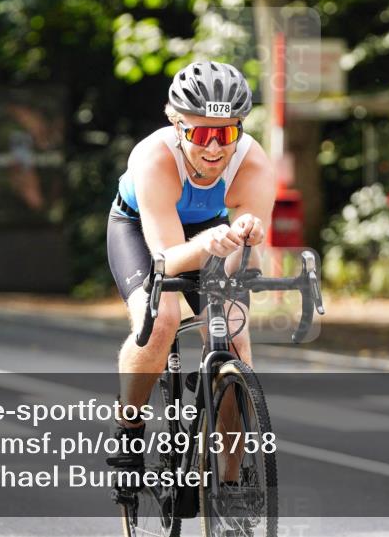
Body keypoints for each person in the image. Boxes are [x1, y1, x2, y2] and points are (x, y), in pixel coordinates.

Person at [105, 60, 275, 466]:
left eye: (225, 133)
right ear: (176, 123)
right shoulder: (153, 159)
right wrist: (211, 245)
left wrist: (246, 239)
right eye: (200, 133)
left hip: (212, 233)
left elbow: (247, 259)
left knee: (235, 338)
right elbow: (167, 259)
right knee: (161, 319)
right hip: (140, 228)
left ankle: (229, 489)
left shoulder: (252, 163)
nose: (214, 148)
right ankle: (129, 430)